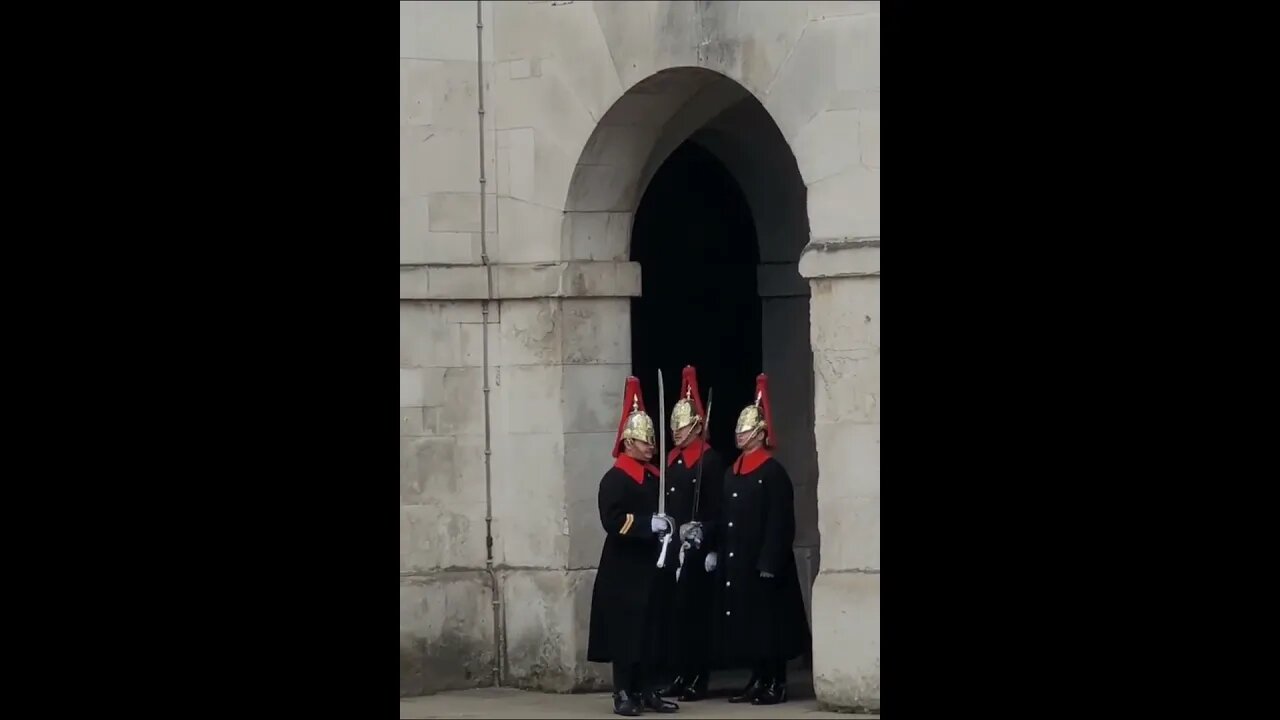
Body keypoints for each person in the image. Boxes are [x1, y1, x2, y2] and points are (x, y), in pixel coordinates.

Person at [713, 373, 812, 705]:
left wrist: (770, 560)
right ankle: (757, 678)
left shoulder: (772, 472)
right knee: (750, 626)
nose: (740, 436)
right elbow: (726, 517)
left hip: (765, 563)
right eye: (739, 431)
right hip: (739, 559)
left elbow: (780, 522)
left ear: (760, 433)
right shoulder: (732, 472)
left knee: (771, 627)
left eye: (746, 431)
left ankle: (775, 681)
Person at [586, 376, 681, 716]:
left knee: (651, 630)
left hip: (651, 564)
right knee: (627, 634)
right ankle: (624, 692)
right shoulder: (615, 479)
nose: (651, 446)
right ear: (628, 443)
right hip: (624, 567)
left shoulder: (654, 477)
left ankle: (648, 690)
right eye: (645, 442)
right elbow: (612, 520)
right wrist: (645, 525)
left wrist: (667, 526)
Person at [653, 366, 726, 702]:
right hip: (672, 548)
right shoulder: (673, 460)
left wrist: (708, 540)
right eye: (673, 426)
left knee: (695, 618)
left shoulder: (709, 462)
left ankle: (698, 676)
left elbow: (717, 510)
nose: (676, 431)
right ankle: (680, 674)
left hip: (696, 548)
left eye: (681, 426)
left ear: (697, 426)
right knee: (674, 618)